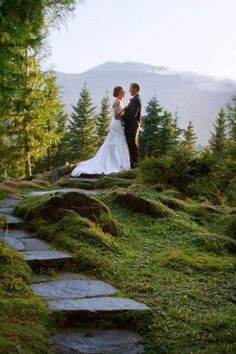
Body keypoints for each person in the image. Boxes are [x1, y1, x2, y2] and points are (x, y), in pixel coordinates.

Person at [71, 86, 130, 177]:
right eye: (123, 91)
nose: (124, 92)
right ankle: (117, 163)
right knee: (118, 143)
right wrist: (124, 109)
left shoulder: (120, 101)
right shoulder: (117, 102)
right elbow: (116, 116)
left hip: (118, 125)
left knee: (116, 143)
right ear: (119, 92)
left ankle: (118, 162)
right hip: (117, 124)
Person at [122, 83, 142, 168]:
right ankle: (132, 163)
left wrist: (121, 117)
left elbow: (131, 114)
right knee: (130, 143)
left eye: (130, 88)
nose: (129, 90)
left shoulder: (136, 99)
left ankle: (135, 164)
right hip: (131, 125)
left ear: (135, 89)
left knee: (132, 144)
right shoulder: (135, 99)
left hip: (132, 125)